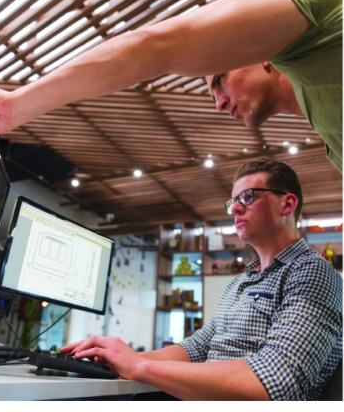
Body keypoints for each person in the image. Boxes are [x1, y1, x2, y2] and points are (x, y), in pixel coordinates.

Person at [0, 0, 342, 172]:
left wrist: (19, 104)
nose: (219, 103)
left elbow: (155, 47)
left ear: (261, 58)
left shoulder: (315, 12)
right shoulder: (329, 135)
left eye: (219, 80)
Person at [60, 158, 343, 401]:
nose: (235, 209)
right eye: (233, 202)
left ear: (287, 203)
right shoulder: (239, 283)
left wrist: (140, 366)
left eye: (248, 197)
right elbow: (195, 348)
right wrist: (117, 357)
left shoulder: (312, 273)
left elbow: (277, 382)